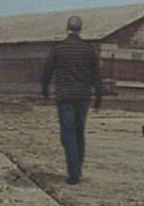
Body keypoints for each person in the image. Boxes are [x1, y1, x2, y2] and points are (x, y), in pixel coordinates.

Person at [41, 15, 102, 185]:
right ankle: (77, 169)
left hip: (65, 97)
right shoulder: (88, 50)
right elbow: (97, 76)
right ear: (80, 29)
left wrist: (45, 92)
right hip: (83, 97)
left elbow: (47, 72)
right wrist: (98, 98)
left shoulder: (59, 49)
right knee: (79, 132)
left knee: (67, 134)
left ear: (67, 28)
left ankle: (73, 172)